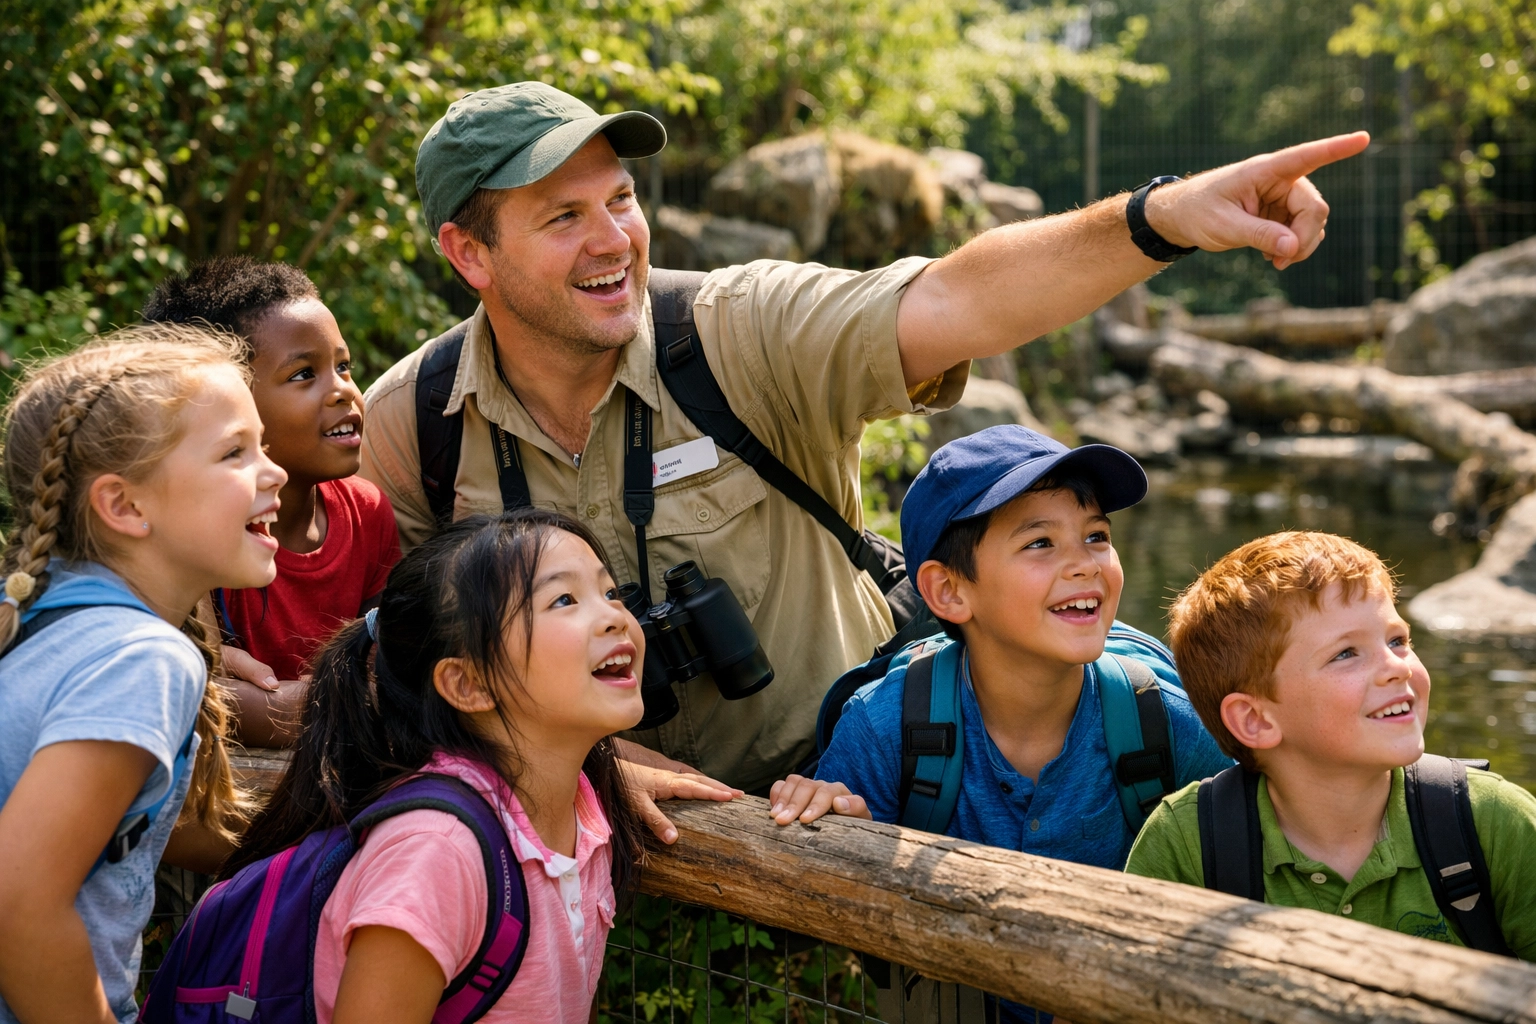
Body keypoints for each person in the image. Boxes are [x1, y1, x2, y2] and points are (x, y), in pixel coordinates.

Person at [360, 78, 1367, 794]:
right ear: (469, 254)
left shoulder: (736, 332)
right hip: (582, 831)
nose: (613, 239)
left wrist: (1170, 217)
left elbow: (961, 297)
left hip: (845, 809)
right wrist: (599, 765)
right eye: (561, 216)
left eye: (621, 198)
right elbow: (399, 671)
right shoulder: (414, 422)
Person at [779, 425, 1231, 1022]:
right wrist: (832, 819)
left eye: (1096, 536)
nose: (1084, 565)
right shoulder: (887, 727)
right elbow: (819, 918)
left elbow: (1248, 855)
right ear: (949, 591)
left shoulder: (1161, 721)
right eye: (1040, 543)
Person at [223, 508, 740, 1022]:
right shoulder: (436, 854)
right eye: (564, 599)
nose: (615, 616)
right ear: (468, 684)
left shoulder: (580, 803)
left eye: (608, 592)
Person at [0, 325, 287, 1023]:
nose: (274, 472)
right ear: (125, 506)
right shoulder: (139, 659)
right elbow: (18, 899)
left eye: (264, 446)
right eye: (235, 453)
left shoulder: (42, 616)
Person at [1125, 531, 1536, 958]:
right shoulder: (1187, 842)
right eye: (1346, 654)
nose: (1396, 667)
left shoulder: (1494, 821)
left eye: (1397, 640)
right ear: (1256, 720)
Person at [143, 257, 401, 746]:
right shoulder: (197, 531)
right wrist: (278, 707)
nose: (343, 390)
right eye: (304, 374)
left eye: (342, 366)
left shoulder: (367, 513)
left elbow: (385, 672)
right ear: (227, 404)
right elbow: (178, 695)